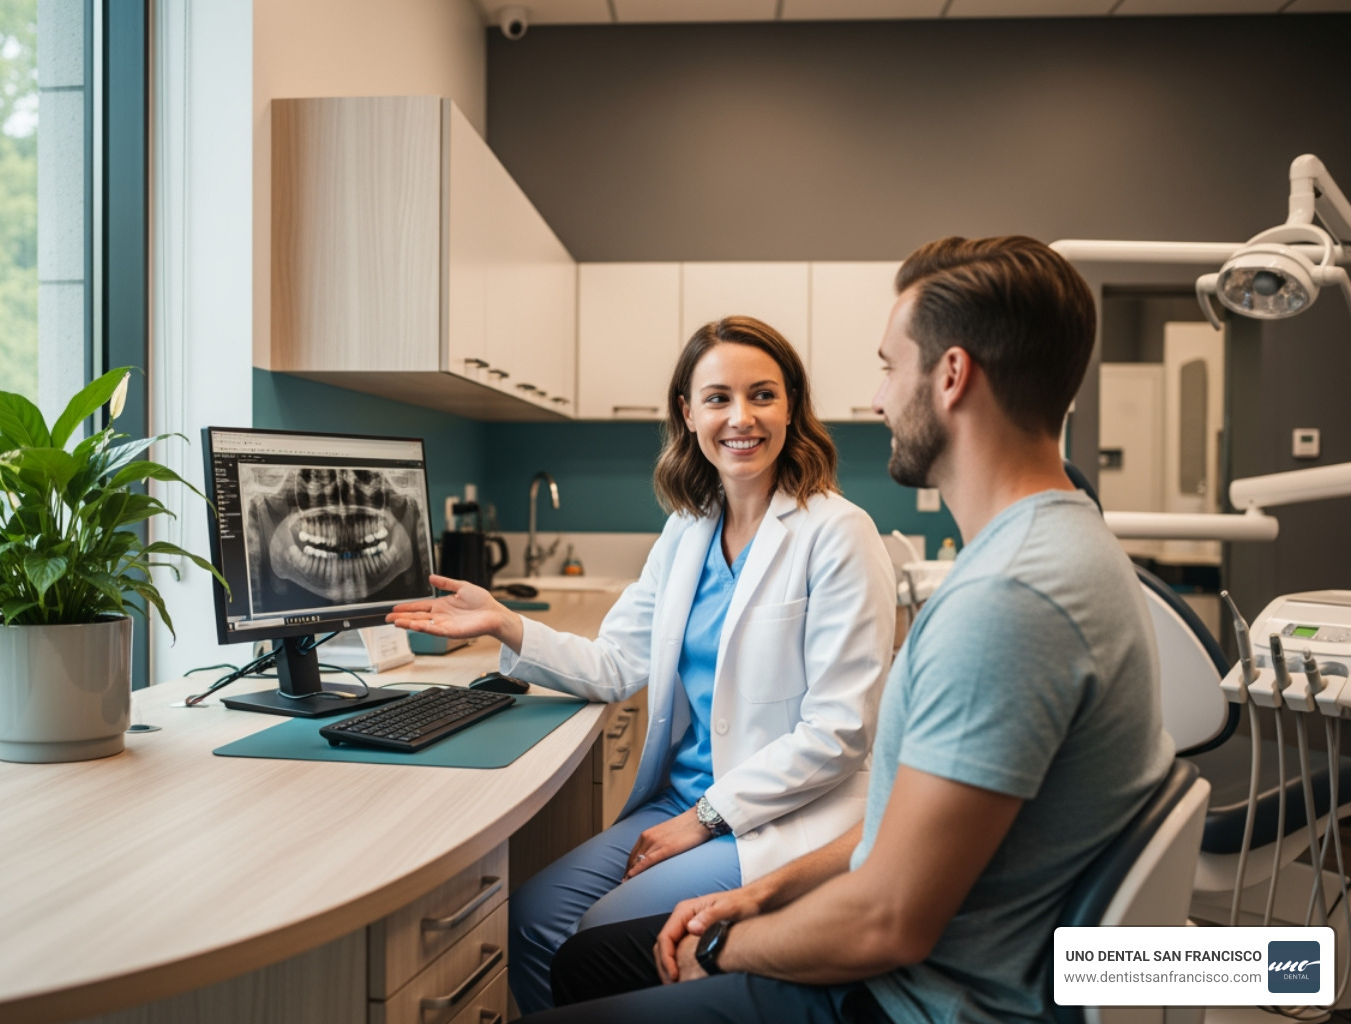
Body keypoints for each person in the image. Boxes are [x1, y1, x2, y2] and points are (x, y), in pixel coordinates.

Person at [523, 236, 1174, 1024]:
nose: (875, 399)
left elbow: (889, 921)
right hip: (943, 953)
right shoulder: (1063, 548)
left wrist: (721, 943)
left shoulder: (1006, 602)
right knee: (581, 945)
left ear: (952, 376)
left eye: (888, 366)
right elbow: (896, 828)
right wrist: (766, 892)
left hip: (918, 999)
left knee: (599, 959)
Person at [388, 316, 897, 1014]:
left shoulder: (838, 533)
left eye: (763, 395)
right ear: (687, 414)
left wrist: (707, 818)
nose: (740, 417)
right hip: (679, 800)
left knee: (599, 935)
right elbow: (617, 662)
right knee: (533, 921)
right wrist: (506, 623)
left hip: (778, 814)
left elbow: (839, 731)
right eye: (717, 398)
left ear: (792, 407)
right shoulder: (689, 529)